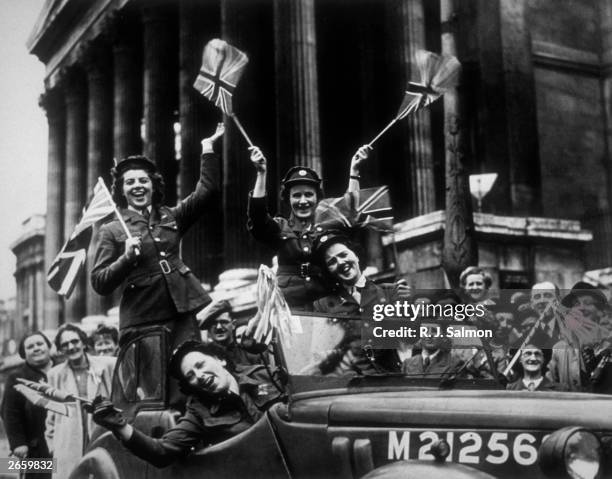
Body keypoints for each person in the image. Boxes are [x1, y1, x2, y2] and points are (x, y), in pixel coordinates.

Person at [91, 124, 224, 348]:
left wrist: (208, 148)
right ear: (122, 190)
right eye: (130, 182)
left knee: (189, 374)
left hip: (182, 312)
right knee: (154, 383)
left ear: (153, 185)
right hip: (143, 319)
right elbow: (99, 282)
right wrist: (125, 259)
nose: (138, 186)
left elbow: (207, 191)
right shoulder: (111, 230)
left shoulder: (171, 216)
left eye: (143, 181)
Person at [88, 340, 281, 468]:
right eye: (191, 376)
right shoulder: (199, 411)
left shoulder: (264, 375)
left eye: (200, 365)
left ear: (219, 359)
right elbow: (162, 452)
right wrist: (120, 426)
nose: (199, 376)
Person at [247, 143, 371, 309]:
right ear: (288, 199)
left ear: (317, 197)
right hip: (289, 306)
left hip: (326, 302)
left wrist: (354, 171)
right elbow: (258, 218)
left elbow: (350, 210)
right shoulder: (279, 226)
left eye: (308, 194)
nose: (303, 201)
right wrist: (261, 173)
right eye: (296, 195)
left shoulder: (328, 223)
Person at [311, 234, 405, 375]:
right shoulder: (322, 306)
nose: (341, 262)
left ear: (356, 255)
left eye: (343, 254)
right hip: (350, 385)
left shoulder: (389, 292)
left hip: (391, 383)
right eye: (332, 262)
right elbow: (318, 354)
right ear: (328, 271)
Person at [45, 324, 116, 479]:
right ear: (61, 350)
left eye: (75, 341)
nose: (71, 347)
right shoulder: (54, 375)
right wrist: (54, 448)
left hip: (101, 439)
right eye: (65, 344)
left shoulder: (107, 365)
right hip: (69, 444)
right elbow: (51, 418)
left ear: (84, 343)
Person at [0, 332, 54, 479]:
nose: (36, 348)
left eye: (40, 344)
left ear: (49, 347)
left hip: (66, 439)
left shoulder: (62, 370)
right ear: (24, 354)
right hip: (35, 447)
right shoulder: (16, 378)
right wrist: (18, 443)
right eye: (30, 347)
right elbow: (10, 413)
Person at [198, 299, 263, 367]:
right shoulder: (207, 358)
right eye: (213, 323)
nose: (219, 327)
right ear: (208, 329)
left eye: (224, 322)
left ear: (233, 324)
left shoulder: (249, 354)